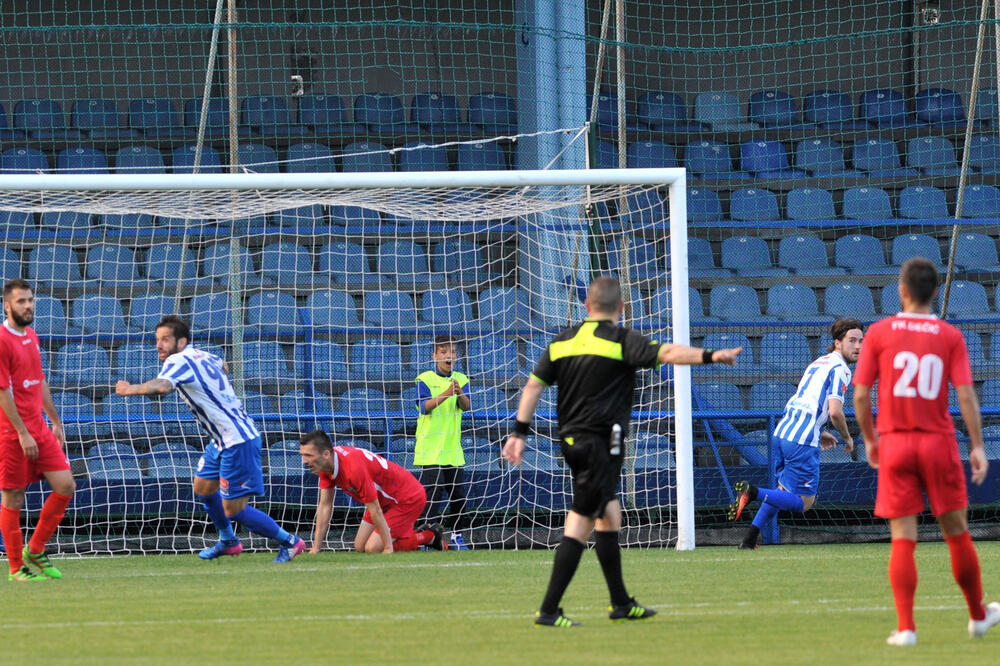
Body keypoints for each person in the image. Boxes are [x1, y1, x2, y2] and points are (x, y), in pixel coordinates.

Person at [501, 276, 742, 626]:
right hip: (600, 444)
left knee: (609, 515)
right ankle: (549, 610)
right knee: (580, 524)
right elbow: (669, 353)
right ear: (622, 308)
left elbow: (533, 387)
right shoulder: (621, 340)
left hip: (572, 442)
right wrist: (712, 355)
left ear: (587, 306)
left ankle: (620, 603)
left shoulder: (561, 341)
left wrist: (519, 433)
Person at [853, 257, 1000, 646]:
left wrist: (870, 440)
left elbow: (861, 394)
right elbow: (966, 395)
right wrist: (978, 447)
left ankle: (906, 629)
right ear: (935, 292)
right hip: (938, 443)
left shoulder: (880, 333)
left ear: (901, 290)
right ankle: (977, 615)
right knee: (956, 532)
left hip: (896, 444)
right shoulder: (950, 336)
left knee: (903, 536)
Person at [116, 315, 305, 563]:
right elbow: (224, 366)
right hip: (221, 439)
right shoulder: (203, 355)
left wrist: (130, 389)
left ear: (181, 341)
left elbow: (163, 387)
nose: (158, 345)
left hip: (237, 439)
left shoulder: (178, 359)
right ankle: (229, 541)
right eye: (157, 340)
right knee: (203, 488)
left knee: (233, 509)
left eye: (165, 340)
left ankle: (290, 541)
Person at [728, 318, 864, 549]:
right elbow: (835, 412)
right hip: (801, 441)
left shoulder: (818, 363)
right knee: (804, 502)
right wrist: (847, 437)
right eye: (852, 341)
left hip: (783, 432)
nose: (858, 346)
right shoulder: (841, 370)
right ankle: (752, 492)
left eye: (861, 341)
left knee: (782, 490)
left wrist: (818, 431)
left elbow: (806, 401)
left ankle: (749, 539)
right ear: (837, 343)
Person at [0, 279, 75, 582]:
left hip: (39, 430)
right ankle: (17, 568)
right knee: (13, 498)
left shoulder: (31, 335)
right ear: (7, 306)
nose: (28, 305)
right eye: (21, 301)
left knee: (65, 485)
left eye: (30, 300)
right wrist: (21, 432)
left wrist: (54, 421)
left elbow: (39, 380)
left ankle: (36, 549)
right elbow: (3, 391)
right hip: (11, 433)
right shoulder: (2, 340)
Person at [298, 429, 447, 553]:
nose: (304, 461)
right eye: (303, 455)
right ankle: (406, 535)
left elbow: (374, 508)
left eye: (308, 456)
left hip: (406, 498)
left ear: (325, 454)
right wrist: (316, 547)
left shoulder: (353, 469)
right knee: (360, 547)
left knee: (373, 548)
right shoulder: (325, 466)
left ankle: (429, 536)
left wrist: (388, 547)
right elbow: (325, 506)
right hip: (382, 500)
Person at [413, 334, 470, 547]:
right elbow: (424, 407)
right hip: (430, 450)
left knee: (458, 497)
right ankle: (426, 537)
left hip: (452, 450)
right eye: (444, 351)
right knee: (431, 497)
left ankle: (457, 535)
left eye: (453, 351)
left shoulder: (461, 379)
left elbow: (466, 406)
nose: (449, 355)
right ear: (435, 355)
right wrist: (447, 393)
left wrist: (459, 392)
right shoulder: (425, 379)